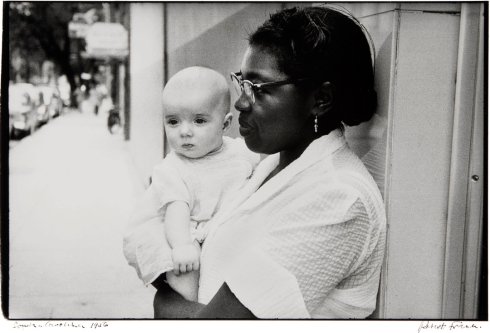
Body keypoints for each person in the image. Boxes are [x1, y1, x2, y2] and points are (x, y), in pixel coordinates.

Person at [123, 6, 386, 319]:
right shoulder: (268, 165)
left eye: (258, 88)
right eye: (241, 82)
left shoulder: (341, 200)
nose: (240, 102)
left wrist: (164, 300)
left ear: (320, 99)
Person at [123, 66, 260, 302]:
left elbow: (256, 179)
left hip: (228, 227)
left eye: (199, 121)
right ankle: (191, 309)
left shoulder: (240, 152)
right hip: (188, 231)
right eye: (173, 122)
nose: (184, 132)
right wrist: (182, 245)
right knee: (184, 271)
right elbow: (177, 210)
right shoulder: (172, 169)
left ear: (225, 124)